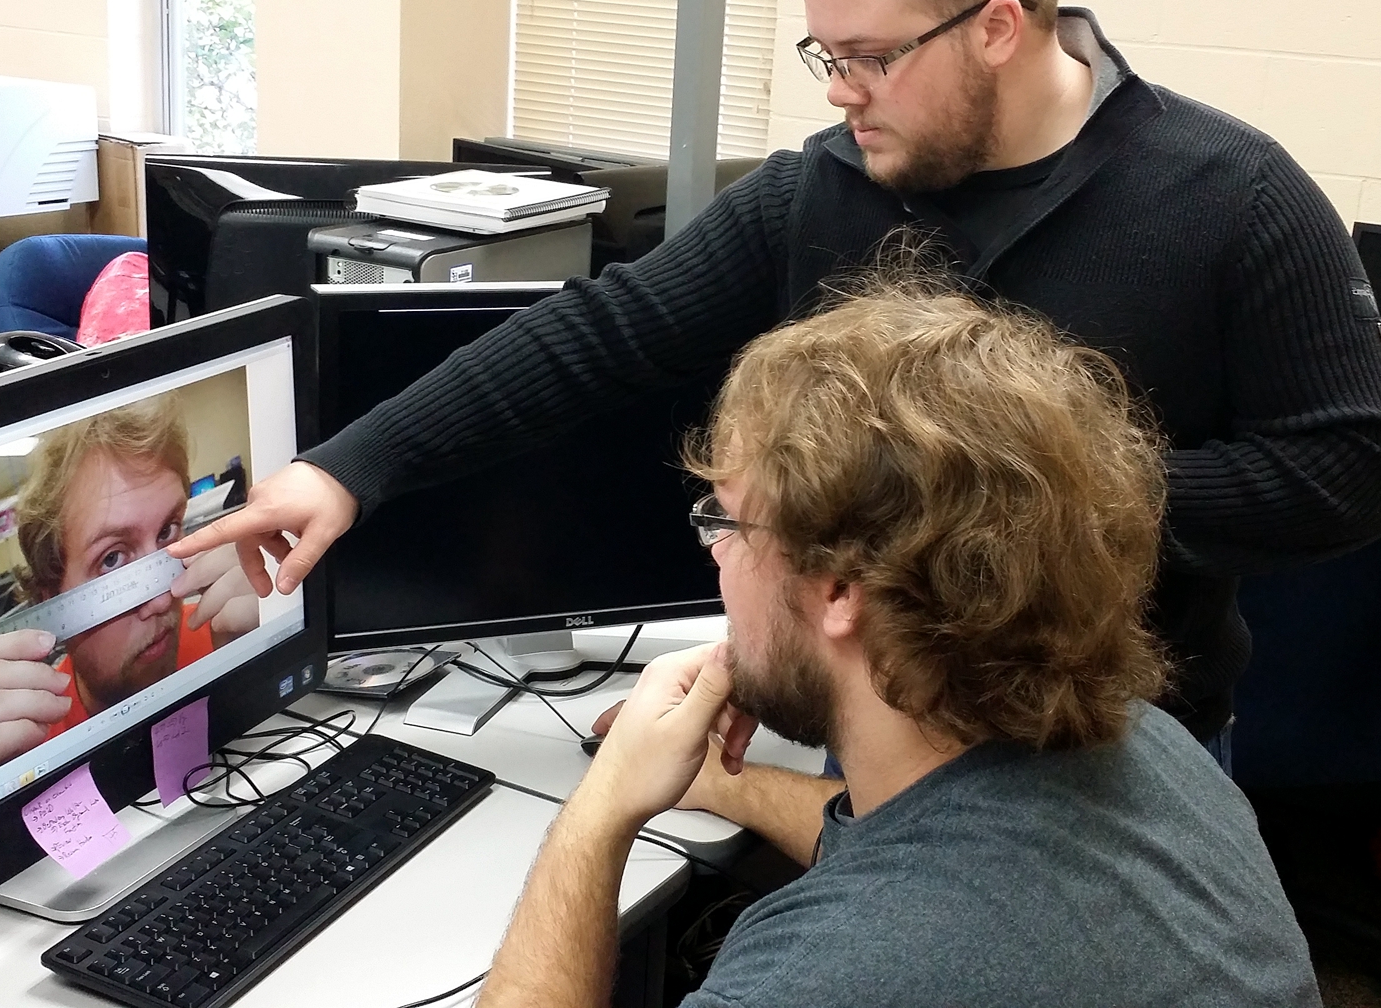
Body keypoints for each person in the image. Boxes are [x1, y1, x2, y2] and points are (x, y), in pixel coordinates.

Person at [174, 0, 1381, 755]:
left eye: (870, 59)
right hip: (873, 731)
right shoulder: (822, 190)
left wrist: (1018, 495)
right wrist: (350, 467)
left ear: (994, 28)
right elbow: (602, 333)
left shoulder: (1230, 195)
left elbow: (1349, 475)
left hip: (1119, 743)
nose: (840, 95)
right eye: (826, 57)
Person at [475, 282, 1320, 1007]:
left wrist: (599, 812)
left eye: (727, 524)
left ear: (841, 589)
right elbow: (921, 845)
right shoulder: (1153, 748)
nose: (718, 558)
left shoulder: (827, 978)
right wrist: (716, 787)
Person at [0, 395, 259, 785]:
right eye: (112, 560)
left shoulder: (229, 639)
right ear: (51, 602)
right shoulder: (26, 750)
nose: (164, 599)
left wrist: (259, 678)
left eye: (167, 532)